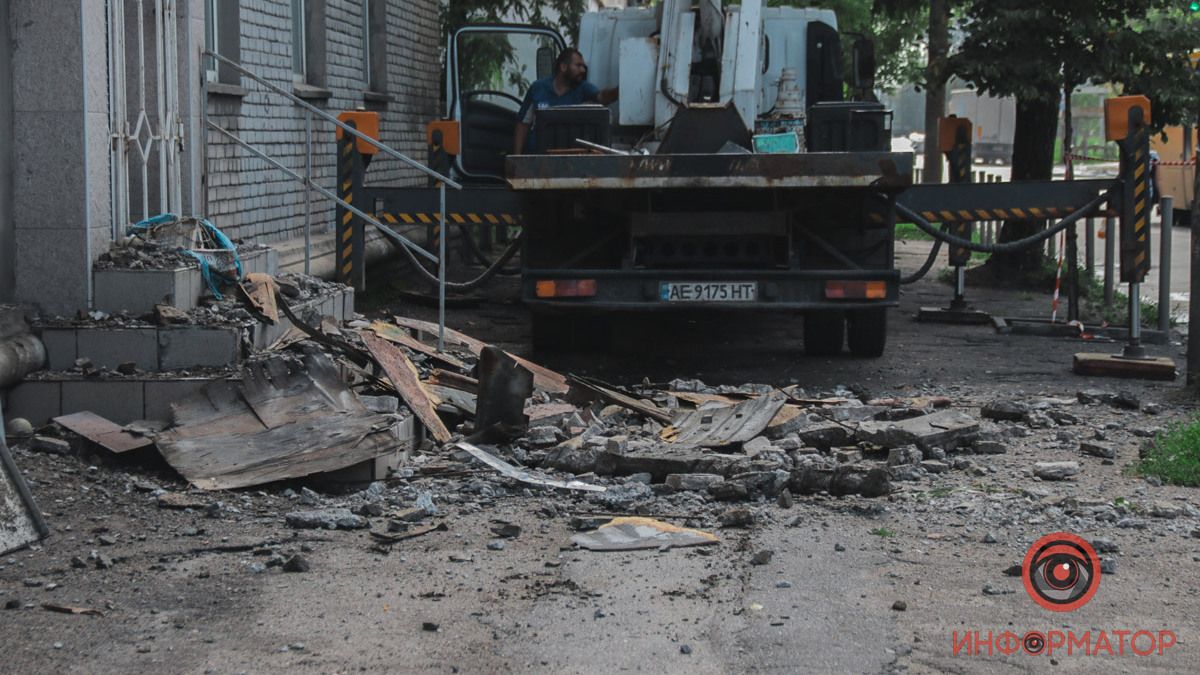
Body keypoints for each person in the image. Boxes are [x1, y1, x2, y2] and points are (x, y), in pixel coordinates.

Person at [512, 48, 618, 155]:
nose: (583, 70)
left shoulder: (583, 88)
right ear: (563, 67)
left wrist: (620, 90)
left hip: (567, 158)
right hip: (536, 156)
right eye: (578, 65)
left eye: (583, 66)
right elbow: (523, 124)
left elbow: (602, 97)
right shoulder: (538, 88)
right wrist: (516, 157)